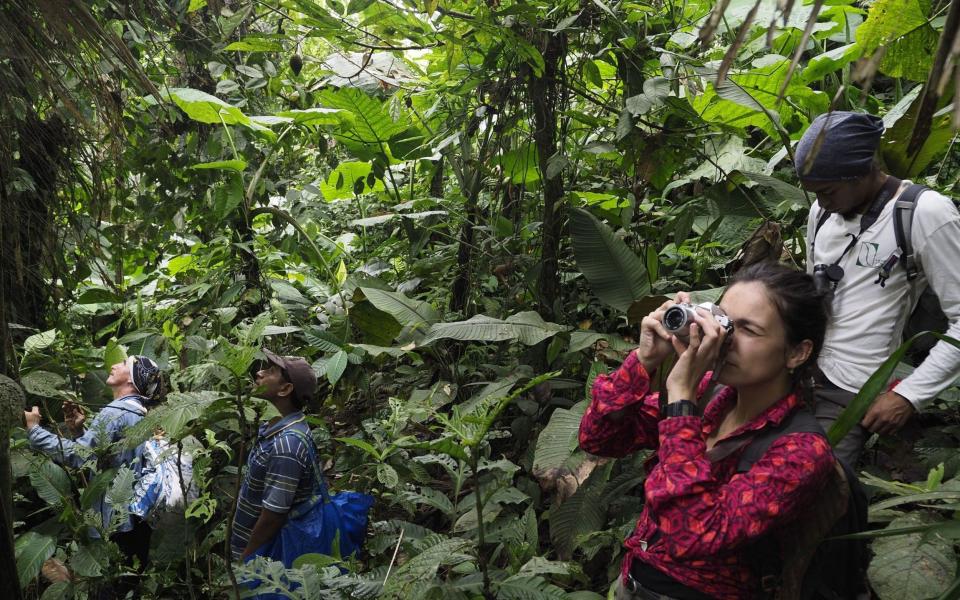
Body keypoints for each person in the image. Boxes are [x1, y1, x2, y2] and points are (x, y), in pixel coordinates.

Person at [579, 263, 835, 599]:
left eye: (749, 330)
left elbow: (693, 532)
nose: (725, 339)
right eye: (725, 321)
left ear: (797, 352)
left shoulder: (801, 450)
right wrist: (644, 359)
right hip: (635, 581)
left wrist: (680, 404)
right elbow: (599, 437)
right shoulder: (710, 396)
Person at [798, 111, 960, 465]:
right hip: (802, 371)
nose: (822, 202)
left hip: (854, 390)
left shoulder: (924, 212)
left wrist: (909, 395)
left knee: (816, 485)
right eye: (815, 193)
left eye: (827, 191)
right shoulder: (822, 211)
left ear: (862, 170)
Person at [23, 355, 162, 596]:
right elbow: (110, 459)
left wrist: (34, 429)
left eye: (123, 363)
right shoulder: (138, 413)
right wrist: (79, 430)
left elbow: (79, 457)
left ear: (131, 379)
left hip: (112, 526)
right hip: (135, 522)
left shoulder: (114, 412)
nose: (115, 364)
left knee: (106, 590)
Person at [231, 349, 320, 562]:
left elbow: (273, 515)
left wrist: (246, 560)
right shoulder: (274, 427)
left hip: (265, 556)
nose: (259, 373)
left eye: (271, 371)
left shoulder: (287, 445)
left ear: (285, 389)